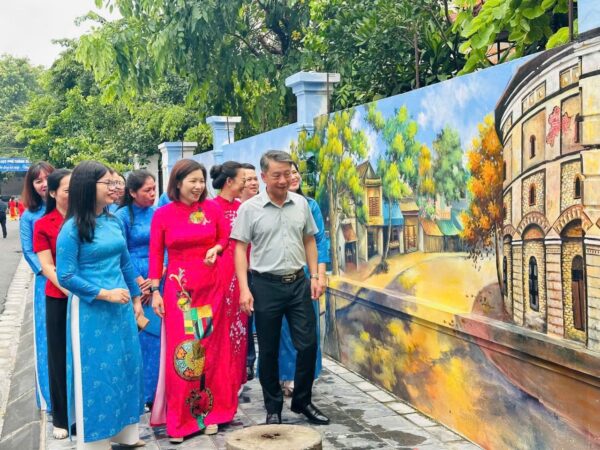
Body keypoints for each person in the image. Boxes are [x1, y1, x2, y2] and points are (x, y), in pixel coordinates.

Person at [231, 150, 329, 426]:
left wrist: (314, 275)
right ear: (264, 177)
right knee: (269, 350)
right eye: (277, 175)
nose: (284, 180)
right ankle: (273, 408)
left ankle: (302, 401)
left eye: (287, 173)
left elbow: (309, 239)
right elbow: (239, 248)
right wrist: (244, 289)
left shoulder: (301, 204)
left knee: (308, 345)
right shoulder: (249, 209)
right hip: (265, 285)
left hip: (298, 283)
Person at [56, 161, 145, 449]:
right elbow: (66, 276)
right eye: (108, 183)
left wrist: (136, 298)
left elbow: (125, 263)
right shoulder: (71, 229)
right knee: (96, 373)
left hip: (121, 308)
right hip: (90, 312)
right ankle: (95, 441)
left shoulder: (113, 221)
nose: (114, 187)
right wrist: (104, 294)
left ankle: (126, 434)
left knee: (125, 366)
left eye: (115, 182)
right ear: (87, 187)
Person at [148, 159, 233, 442]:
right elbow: (155, 255)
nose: (198, 186)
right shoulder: (163, 215)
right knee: (185, 351)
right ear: (177, 182)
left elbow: (225, 237)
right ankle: (182, 420)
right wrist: (155, 290)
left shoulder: (211, 209)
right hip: (180, 294)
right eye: (192, 181)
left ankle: (211, 413)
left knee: (208, 349)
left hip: (210, 289)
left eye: (201, 181)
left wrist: (216, 248)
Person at [276, 162, 329, 396]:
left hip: (307, 275)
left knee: (306, 328)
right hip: (279, 275)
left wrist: (320, 275)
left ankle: (306, 375)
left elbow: (319, 241)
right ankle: (286, 375)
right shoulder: (267, 206)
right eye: (287, 173)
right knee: (284, 329)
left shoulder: (310, 205)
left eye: (295, 172)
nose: (293, 177)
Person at [115, 170, 161, 408]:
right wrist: (139, 283)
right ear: (132, 193)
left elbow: (165, 246)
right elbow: (121, 253)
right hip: (134, 280)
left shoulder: (158, 213)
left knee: (159, 337)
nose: (153, 194)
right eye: (147, 190)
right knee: (143, 337)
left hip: (159, 278)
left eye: (154, 189)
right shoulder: (122, 217)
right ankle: (142, 394)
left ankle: (159, 393)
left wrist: (157, 276)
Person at [33, 169, 71, 439]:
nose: (73, 194)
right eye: (67, 190)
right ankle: (61, 417)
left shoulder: (88, 220)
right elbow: (47, 266)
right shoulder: (44, 224)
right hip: (59, 296)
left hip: (92, 297)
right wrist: (72, 289)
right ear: (54, 193)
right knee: (59, 356)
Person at [20, 161, 55, 412]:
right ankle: (50, 399)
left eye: (47, 178)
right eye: (38, 180)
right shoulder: (29, 216)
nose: (43, 184)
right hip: (46, 284)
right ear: (31, 185)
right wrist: (51, 273)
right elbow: (29, 251)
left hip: (73, 280)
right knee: (47, 339)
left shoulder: (67, 209)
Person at [211, 161, 248, 391]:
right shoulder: (210, 208)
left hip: (240, 273)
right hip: (218, 272)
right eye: (243, 179)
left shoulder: (243, 208)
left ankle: (235, 378)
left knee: (239, 325)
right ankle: (219, 379)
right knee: (220, 327)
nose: (246, 183)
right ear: (229, 181)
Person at [239, 163, 259, 380]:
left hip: (261, 272)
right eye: (247, 179)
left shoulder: (263, 206)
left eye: (255, 179)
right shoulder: (234, 209)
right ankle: (246, 362)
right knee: (245, 319)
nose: (253, 183)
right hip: (241, 274)